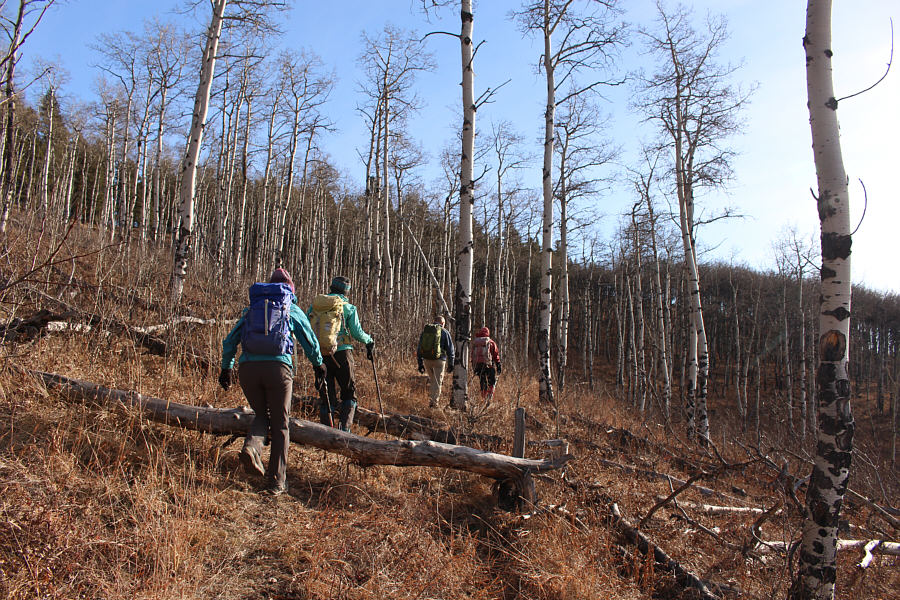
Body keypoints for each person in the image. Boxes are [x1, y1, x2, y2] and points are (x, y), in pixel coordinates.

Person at [219, 268, 325, 497]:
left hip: (248, 369)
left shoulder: (252, 309)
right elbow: (309, 340)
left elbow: (230, 341)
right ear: (290, 289)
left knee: (260, 414)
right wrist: (318, 365)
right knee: (280, 424)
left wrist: (226, 369)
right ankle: (276, 482)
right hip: (278, 369)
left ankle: (251, 447)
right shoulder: (290, 308)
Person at [309, 276, 374, 431]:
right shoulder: (348, 307)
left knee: (326, 393)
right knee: (349, 392)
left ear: (331, 287)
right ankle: (345, 431)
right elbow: (357, 333)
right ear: (346, 291)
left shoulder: (316, 306)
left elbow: (307, 326)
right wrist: (369, 341)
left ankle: (326, 431)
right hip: (342, 352)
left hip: (321, 354)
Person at [416, 315, 455, 408]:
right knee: (437, 382)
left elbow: (419, 348)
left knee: (433, 380)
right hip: (439, 361)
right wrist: (451, 363)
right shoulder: (445, 332)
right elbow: (450, 349)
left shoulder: (426, 331)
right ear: (442, 323)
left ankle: (432, 400)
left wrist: (420, 364)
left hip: (427, 360)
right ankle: (434, 404)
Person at [471, 326, 501, 401]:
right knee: (492, 381)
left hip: (478, 366)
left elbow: (472, 355)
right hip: (488, 365)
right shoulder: (490, 342)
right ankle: (490, 397)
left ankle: (483, 397)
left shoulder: (476, 342)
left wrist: (473, 366)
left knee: (482, 381)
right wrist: (498, 365)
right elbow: (495, 354)